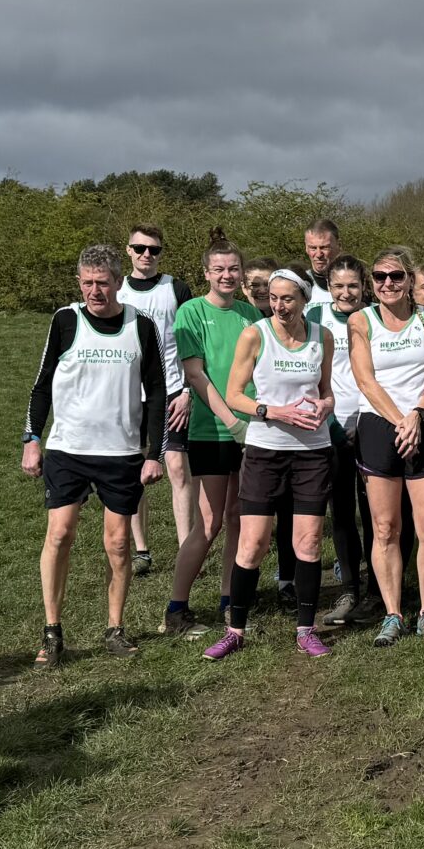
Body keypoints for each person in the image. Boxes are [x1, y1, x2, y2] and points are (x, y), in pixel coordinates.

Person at [24, 245, 168, 667]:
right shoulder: (65, 320)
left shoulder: (140, 326)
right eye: (86, 282)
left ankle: (114, 628)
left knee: (119, 543)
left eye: (102, 283)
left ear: (118, 282)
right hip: (68, 447)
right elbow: (41, 384)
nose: (94, 291)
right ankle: (52, 632)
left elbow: (157, 393)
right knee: (60, 534)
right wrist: (32, 439)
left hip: (121, 452)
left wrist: (152, 453)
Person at [206, 267, 338, 659]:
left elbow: (328, 391)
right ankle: (235, 629)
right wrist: (273, 411)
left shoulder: (321, 337)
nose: (279, 306)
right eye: (274, 298)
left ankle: (306, 629)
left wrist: (327, 405)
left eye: (288, 299)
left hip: (313, 452)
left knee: (309, 542)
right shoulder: (255, 335)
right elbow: (233, 395)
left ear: (304, 301)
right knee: (253, 544)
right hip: (265, 451)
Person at [351, 247, 424, 646]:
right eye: (379, 277)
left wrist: (415, 414)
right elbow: (365, 380)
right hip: (380, 426)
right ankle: (393, 613)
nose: (387, 284)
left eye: (395, 276)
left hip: (422, 423)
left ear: (410, 280)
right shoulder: (361, 320)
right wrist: (399, 420)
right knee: (385, 527)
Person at [164, 238, 258, 635]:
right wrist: (232, 422)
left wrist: (253, 420)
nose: (227, 275)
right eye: (219, 269)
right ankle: (176, 608)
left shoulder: (250, 314)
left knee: (240, 517)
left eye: (233, 268)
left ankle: (228, 598)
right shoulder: (191, 312)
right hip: (213, 431)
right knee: (210, 521)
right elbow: (196, 375)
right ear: (206, 273)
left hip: (252, 430)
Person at [115, 224, 193, 578]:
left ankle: (186, 549)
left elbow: (194, 341)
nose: (147, 255)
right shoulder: (117, 290)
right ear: (128, 250)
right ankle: (142, 551)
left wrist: (189, 391)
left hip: (175, 391)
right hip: (130, 394)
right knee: (136, 474)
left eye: (154, 250)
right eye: (140, 248)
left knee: (177, 468)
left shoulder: (175, 288)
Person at [309, 257, 371, 627]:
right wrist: (331, 424)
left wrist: (366, 422)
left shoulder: (376, 316)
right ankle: (350, 588)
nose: (346, 293)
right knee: (343, 512)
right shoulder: (316, 316)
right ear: (328, 287)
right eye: (338, 286)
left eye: (352, 286)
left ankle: (380, 590)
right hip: (329, 427)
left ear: (363, 286)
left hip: (371, 424)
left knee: (378, 514)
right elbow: (310, 372)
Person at [302, 217, 341, 310]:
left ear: (339, 245)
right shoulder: (299, 284)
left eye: (324, 247)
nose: (319, 254)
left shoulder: (356, 283)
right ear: (306, 248)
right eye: (313, 248)